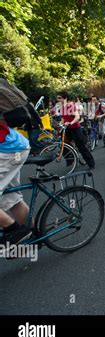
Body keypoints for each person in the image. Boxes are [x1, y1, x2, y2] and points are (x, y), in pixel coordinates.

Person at [0, 102, 32, 245]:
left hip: (10, 150)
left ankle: (15, 231)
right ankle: (33, 236)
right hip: (14, 147)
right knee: (11, 198)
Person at [57, 91, 95, 170]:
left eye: (60, 98)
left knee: (81, 147)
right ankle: (70, 160)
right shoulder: (61, 107)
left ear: (65, 98)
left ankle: (91, 164)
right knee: (63, 144)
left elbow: (77, 117)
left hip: (75, 128)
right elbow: (63, 118)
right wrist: (60, 124)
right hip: (68, 128)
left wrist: (71, 123)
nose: (58, 100)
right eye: (57, 98)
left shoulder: (71, 105)